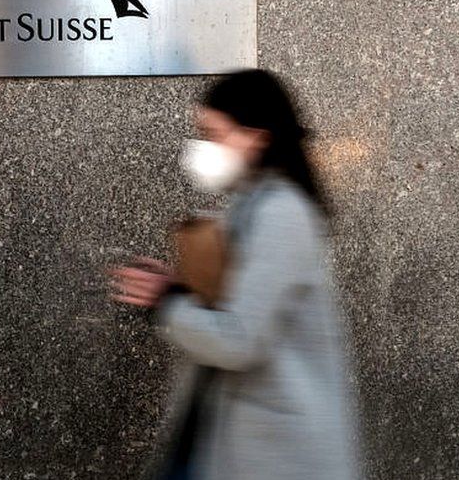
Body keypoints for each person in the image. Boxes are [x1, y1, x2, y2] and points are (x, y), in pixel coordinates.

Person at [108, 68, 364, 480]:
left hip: (280, 456)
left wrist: (166, 304)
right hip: (233, 443)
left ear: (257, 136)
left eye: (214, 134)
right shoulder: (253, 205)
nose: (203, 147)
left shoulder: (283, 212)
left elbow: (241, 339)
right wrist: (176, 286)